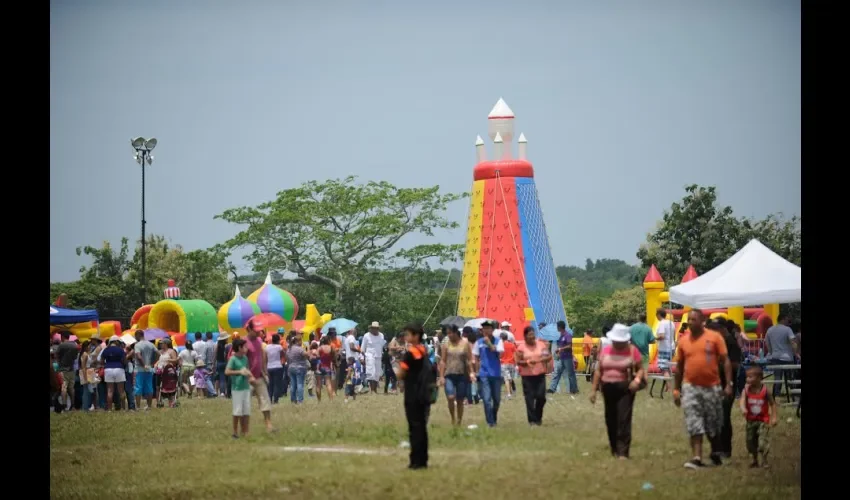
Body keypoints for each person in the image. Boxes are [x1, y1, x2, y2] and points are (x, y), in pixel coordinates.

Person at [672, 309, 733, 469]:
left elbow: (725, 361)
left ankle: (715, 451)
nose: (691, 323)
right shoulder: (684, 341)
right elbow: (679, 367)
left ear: (702, 320)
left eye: (694, 320)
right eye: (689, 320)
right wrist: (676, 390)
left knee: (713, 423)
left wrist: (728, 384)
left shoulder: (714, 337)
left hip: (712, 387)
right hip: (690, 387)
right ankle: (697, 457)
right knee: (694, 421)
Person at [589, 324, 644, 459]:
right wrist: (594, 390)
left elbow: (641, 369)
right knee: (610, 418)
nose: (618, 343)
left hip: (625, 388)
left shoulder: (632, 351)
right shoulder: (606, 350)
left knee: (623, 418)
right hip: (607, 388)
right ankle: (614, 447)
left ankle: (623, 452)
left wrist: (636, 381)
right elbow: (598, 370)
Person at [394, 323, 433, 470]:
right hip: (424, 393)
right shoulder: (423, 350)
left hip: (413, 394)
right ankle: (423, 459)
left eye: (408, 334)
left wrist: (399, 364)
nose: (405, 336)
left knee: (414, 427)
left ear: (416, 336)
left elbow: (400, 374)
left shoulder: (410, 353)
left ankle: (415, 461)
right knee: (422, 427)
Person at [713, 319, 743, 459]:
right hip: (715, 385)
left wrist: (722, 364)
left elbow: (736, 365)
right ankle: (718, 448)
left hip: (727, 385)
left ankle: (726, 450)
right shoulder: (716, 342)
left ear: (722, 329)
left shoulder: (731, 343)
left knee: (724, 417)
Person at [739, 366, 778, 468]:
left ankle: (764, 460)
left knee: (762, 442)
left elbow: (773, 404)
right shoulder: (746, 390)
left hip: (763, 420)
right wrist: (743, 408)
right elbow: (742, 400)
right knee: (750, 442)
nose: (747, 379)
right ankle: (755, 460)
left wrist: (774, 417)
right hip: (750, 420)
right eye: (747, 377)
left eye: (750, 377)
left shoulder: (765, 391)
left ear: (759, 378)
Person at [515, 326, 552, 426]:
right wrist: (527, 362)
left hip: (540, 375)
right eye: (529, 335)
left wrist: (540, 360)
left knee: (541, 397)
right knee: (529, 398)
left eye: (533, 335)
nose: (532, 337)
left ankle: (538, 417)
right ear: (525, 336)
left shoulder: (540, 345)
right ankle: (532, 421)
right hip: (527, 377)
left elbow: (548, 356)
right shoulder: (521, 347)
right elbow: (518, 361)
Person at [438, 324, 473, 426]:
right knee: (450, 397)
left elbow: (469, 360)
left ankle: (459, 421)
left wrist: (471, 372)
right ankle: (453, 417)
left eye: (450, 333)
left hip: (462, 375)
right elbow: (442, 361)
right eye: (447, 333)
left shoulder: (465, 344)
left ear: (455, 332)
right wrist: (441, 376)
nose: (448, 335)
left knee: (460, 400)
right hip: (449, 374)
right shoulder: (446, 345)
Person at [472, 320, 505, 427]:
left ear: (492, 330)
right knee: (486, 399)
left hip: (495, 374)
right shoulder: (478, 342)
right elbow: (476, 358)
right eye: (484, 329)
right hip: (484, 374)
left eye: (488, 328)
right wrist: (476, 371)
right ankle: (490, 422)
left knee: (496, 400)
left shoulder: (498, 341)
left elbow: (500, 355)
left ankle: (493, 416)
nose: (486, 330)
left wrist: (489, 344)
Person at [244, 320, 275, 432]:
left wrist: (264, 372)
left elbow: (261, 357)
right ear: (249, 329)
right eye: (256, 331)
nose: (258, 333)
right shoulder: (244, 342)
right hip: (247, 379)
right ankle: (245, 429)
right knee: (245, 405)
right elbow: (240, 362)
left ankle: (269, 426)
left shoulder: (258, 341)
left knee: (265, 402)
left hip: (259, 377)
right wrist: (248, 375)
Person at [764, 314, 799, 398]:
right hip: (787, 357)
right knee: (790, 378)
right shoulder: (788, 329)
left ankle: (776, 394)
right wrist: (796, 353)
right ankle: (793, 394)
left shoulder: (770, 329)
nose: (788, 322)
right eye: (787, 320)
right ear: (782, 319)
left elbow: (767, 343)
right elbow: (793, 342)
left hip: (775, 357)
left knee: (777, 378)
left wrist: (771, 352)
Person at [225, 338, 253, 439]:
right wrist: (239, 372)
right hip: (237, 388)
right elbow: (227, 372)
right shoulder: (233, 359)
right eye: (244, 346)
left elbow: (247, 370)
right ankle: (235, 432)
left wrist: (250, 375)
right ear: (239, 348)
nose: (246, 348)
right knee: (237, 411)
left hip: (246, 387)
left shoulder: (245, 358)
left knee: (246, 411)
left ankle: (245, 431)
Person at [548, 321, 578, 396]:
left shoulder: (568, 335)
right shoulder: (561, 336)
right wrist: (558, 350)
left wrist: (561, 349)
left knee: (571, 374)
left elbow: (569, 346)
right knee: (557, 373)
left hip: (568, 358)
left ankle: (574, 389)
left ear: (560, 327)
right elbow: (561, 346)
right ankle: (552, 389)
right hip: (562, 358)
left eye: (557, 326)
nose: (557, 328)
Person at [101, 336, 127, 411]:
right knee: (121, 390)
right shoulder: (120, 350)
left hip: (108, 369)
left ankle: (109, 409)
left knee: (109, 390)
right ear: (116, 342)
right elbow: (125, 361)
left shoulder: (105, 350)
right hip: (119, 368)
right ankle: (123, 408)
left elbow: (102, 361)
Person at [361, 322, 387, 394]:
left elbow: (383, 345)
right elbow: (362, 347)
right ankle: (372, 390)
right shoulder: (366, 335)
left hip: (378, 356)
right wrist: (361, 357)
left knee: (377, 373)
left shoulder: (381, 335)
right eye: (374, 328)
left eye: (377, 328)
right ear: (371, 328)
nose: (375, 329)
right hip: (369, 355)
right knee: (371, 372)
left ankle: (375, 389)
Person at [56, 330, 78, 412]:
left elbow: (56, 355)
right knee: (71, 388)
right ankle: (73, 406)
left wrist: (59, 362)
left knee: (64, 387)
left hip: (62, 369)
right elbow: (75, 357)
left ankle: (64, 405)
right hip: (71, 369)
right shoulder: (74, 346)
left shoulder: (61, 345)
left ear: (62, 337)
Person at [287, 337, 309, 404]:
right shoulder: (299, 349)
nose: (301, 342)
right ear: (297, 341)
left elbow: (287, 359)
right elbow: (307, 355)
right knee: (300, 384)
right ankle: (300, 400)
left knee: (293, 385)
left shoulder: (289, 349)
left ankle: (293, 400)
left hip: (291, 367)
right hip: (300, 368)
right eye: (301, 341)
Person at [655, 309, 675, 376]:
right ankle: (668, 386)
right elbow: (674, 336)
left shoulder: (662, 323)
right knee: (668, 368)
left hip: (664, 348)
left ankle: (668, 386)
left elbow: (662, 336)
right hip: (672, 347)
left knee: (664, 369)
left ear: (658, 315)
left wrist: (654, 338)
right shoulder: (671, 323)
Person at [266, 334, 285, 404]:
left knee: (270, 384)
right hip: (277, 366)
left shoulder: (267, 347)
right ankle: (276, 400)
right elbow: (283, 354)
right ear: (278, 340)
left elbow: (265, 356)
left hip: (269, 367)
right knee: (277, 384)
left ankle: (269, 399)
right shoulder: (279, 347)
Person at [316, 337, 336, 401]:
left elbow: (317, 356)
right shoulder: (331, 348)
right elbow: (334, 357)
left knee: (318, 384)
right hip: (327, 367)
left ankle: (319, 400)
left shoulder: (320, 348)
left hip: (319, 367)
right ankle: (331, 400)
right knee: (328, 384)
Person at [499, 331, 518, 400]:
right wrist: (516, 364)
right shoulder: (512, 345)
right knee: (510, 378)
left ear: (501, 338)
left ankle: (509, 394)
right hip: (512, 363)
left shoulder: (501, 345)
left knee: (506, 379)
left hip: (504, 363)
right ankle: (510, 392)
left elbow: (500, 355)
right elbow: (515, 354)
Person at [213, 333, 230, 398]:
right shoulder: (227, 346)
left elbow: (215, 355)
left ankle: (222, 392)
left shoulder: (217, 345)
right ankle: (223, 392)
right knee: (225, 379)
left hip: (219, 363)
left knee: (221, 378)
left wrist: (213, 364)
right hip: (225, 363)